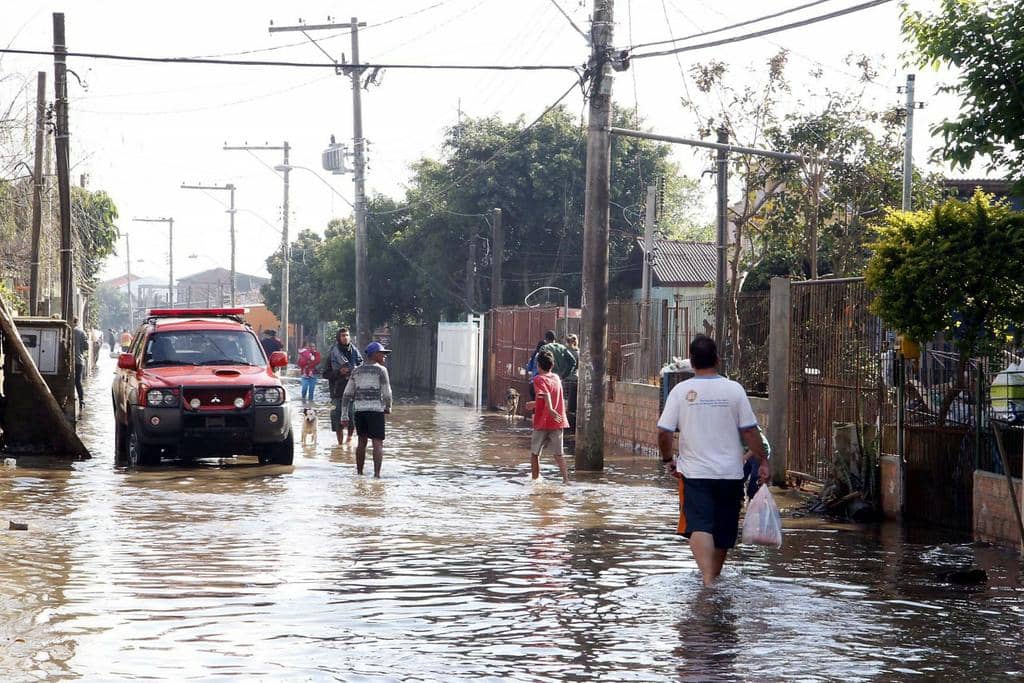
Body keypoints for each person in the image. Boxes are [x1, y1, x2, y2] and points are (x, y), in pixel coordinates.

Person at [657, 335, 768, 587]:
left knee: (699, 525)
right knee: (722, 531)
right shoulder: (734, 389)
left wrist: (667, 459)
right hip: (731, 473)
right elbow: (750, 432)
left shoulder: (681, 391)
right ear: (718, 359)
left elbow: (664, 432)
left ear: (692, 362)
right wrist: (763, 461)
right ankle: (711, 581)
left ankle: (709, 580)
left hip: (694, 474)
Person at [340, 341, 393, 477]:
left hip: (360, 412)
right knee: (377, 443)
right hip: (376, 411)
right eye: (382, 354)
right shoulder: (381, 370)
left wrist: (344, 415)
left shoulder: (356, 371)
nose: (384, 357)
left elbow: (346, 395)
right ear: (375, 355)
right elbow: (387, 392)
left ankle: (359, 473)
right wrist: (388, 407)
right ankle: (377, 475)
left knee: (361, 442)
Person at [524, 350, 570, 484]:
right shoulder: (556, 378)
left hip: (543, 422)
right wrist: (534, 404)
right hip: (557, 421)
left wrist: (550, 409)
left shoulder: (538, 379)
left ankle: (535, 480)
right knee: (559, 454)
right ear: (552, 365)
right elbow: (547, 396)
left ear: (538, 365)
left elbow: (546, 395)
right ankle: (566, 480)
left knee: (535, 453)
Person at [325, 328, 363, 444]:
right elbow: (325, 374)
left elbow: (361, 367)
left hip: (353, 392)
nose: (345, 337)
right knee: (337, 420)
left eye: (347, 335)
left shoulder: (355, 353)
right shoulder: (333, 353)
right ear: (338, 337)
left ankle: (349, 439)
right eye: (342, 335)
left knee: (352, 418)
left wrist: (355, 371)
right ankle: (340, 445)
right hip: (337, 392)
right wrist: (339, 372)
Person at [72, 317, 87, 409]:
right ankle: (81, 400)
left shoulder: (68, 329)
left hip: (68, 361)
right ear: (77, 322)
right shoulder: (82, 332)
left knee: (68, 380)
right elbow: (86, 347)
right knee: (78, 381)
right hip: (79, 360)